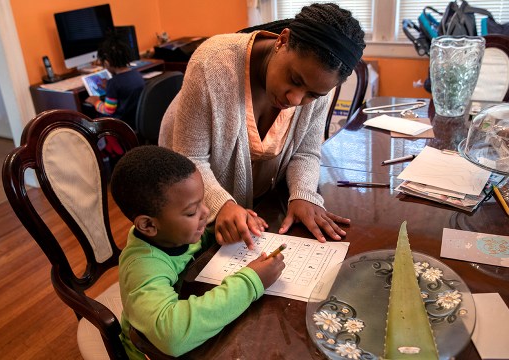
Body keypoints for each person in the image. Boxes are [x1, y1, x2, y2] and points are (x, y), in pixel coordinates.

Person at [159, 3, 366, 249]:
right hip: (190, 208)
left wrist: (303, 194)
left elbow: (306, 151)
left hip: (256, 211)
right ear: (283, 41)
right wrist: (222, 204)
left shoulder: (318, 86)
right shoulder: (213, 64)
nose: (296, 100)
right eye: (294, 80)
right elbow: (190, 159)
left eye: (312, 94)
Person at [110, 146, 285, 358]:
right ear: (148, 225)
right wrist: (251, 282)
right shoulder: (141, 268)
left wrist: (232, 228)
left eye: (203, 201)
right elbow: (172, 336)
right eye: (192, 211)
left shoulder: (173, 232)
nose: (206, 212)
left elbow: (203, 242)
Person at [85, 31, 145, 128]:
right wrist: (108, 88)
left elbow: (108, 111)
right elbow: (125, 93)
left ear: (107, 62)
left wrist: (95, 101)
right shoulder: (136, 74)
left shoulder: (114, 83)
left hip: (121, 124)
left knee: (91, 115)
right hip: (135, 121)